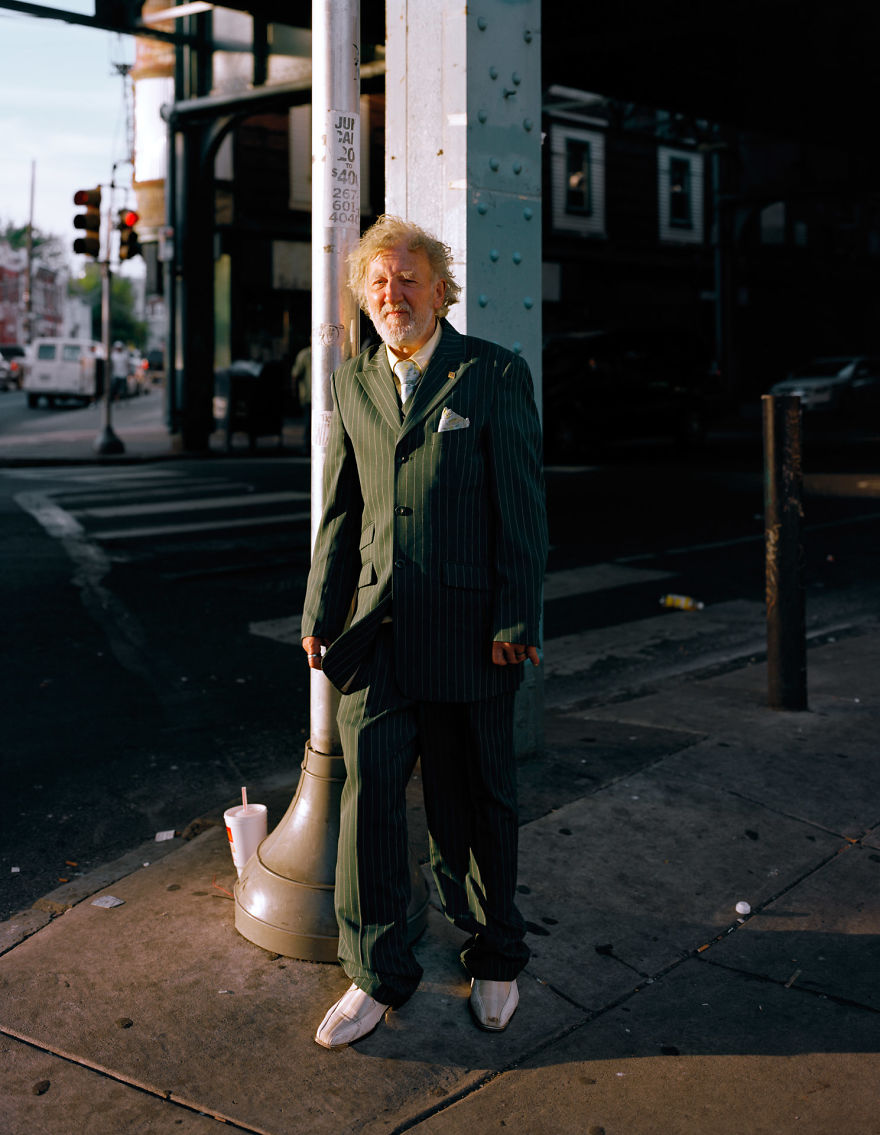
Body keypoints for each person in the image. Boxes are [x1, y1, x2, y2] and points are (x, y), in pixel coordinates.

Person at [301, 215, 548, 1049]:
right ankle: (376, 970)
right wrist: (319, 612)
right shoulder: (354, 381)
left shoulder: (492, 373)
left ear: (442, 288)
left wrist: (516, 615)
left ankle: (494, 952)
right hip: (376, 631)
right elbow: (341, 510)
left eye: (408, 279)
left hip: (473, 630)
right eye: (377, 282)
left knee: (473, 802)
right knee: (369, 804)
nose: (391, 294)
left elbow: (521, 510)